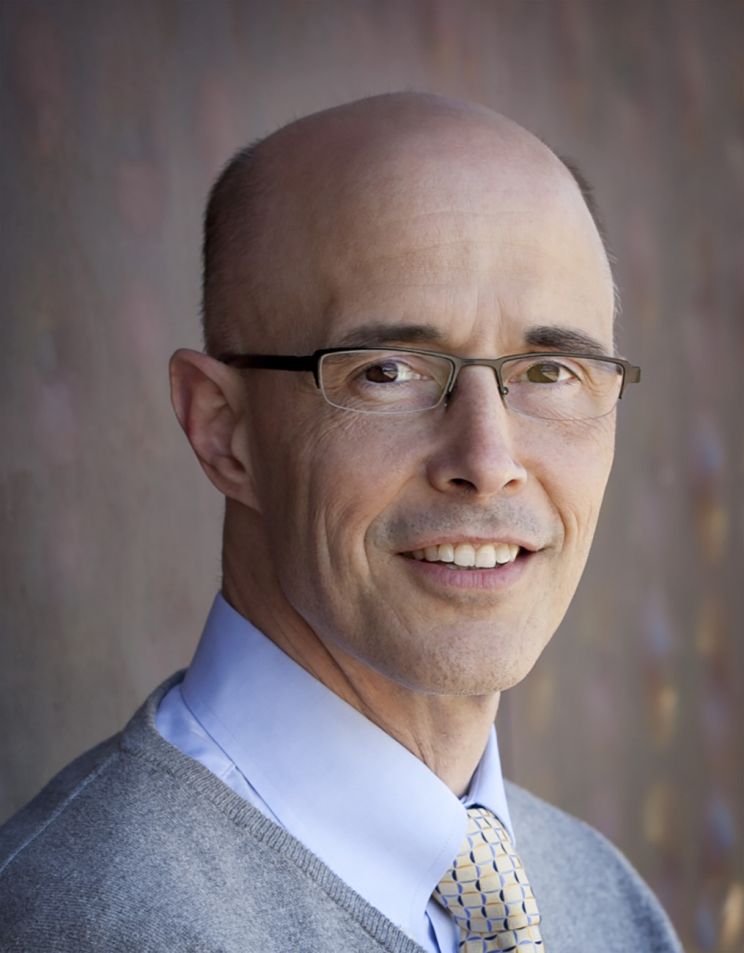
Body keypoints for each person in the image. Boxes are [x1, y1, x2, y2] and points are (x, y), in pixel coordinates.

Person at [0, 92, 682, 953]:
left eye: (550, 370)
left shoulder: (607, 903)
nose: (488, 457)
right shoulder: (79, 922)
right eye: (388, 371)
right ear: (223, 429)